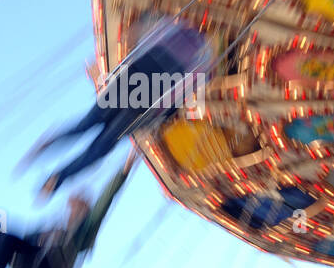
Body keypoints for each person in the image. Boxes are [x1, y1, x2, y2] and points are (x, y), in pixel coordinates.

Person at [22, 17, 213, 199]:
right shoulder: (202, 52)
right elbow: (192, 83)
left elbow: (143, 39)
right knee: (101, 146)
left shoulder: (175, 27)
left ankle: (51, 148)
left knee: (89, 124)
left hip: (131, 80)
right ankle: (57, 177)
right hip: (147, 97)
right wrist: (164, 113)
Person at [0, 150, 137, 268]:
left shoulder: (83, 230)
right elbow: (24, 237)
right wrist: (42, 236)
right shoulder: (57, 229)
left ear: (83, 209)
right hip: (31, 261)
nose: (70, 211)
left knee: (6, 240)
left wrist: (125, 168)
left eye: (74, 206)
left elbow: (105, 200)